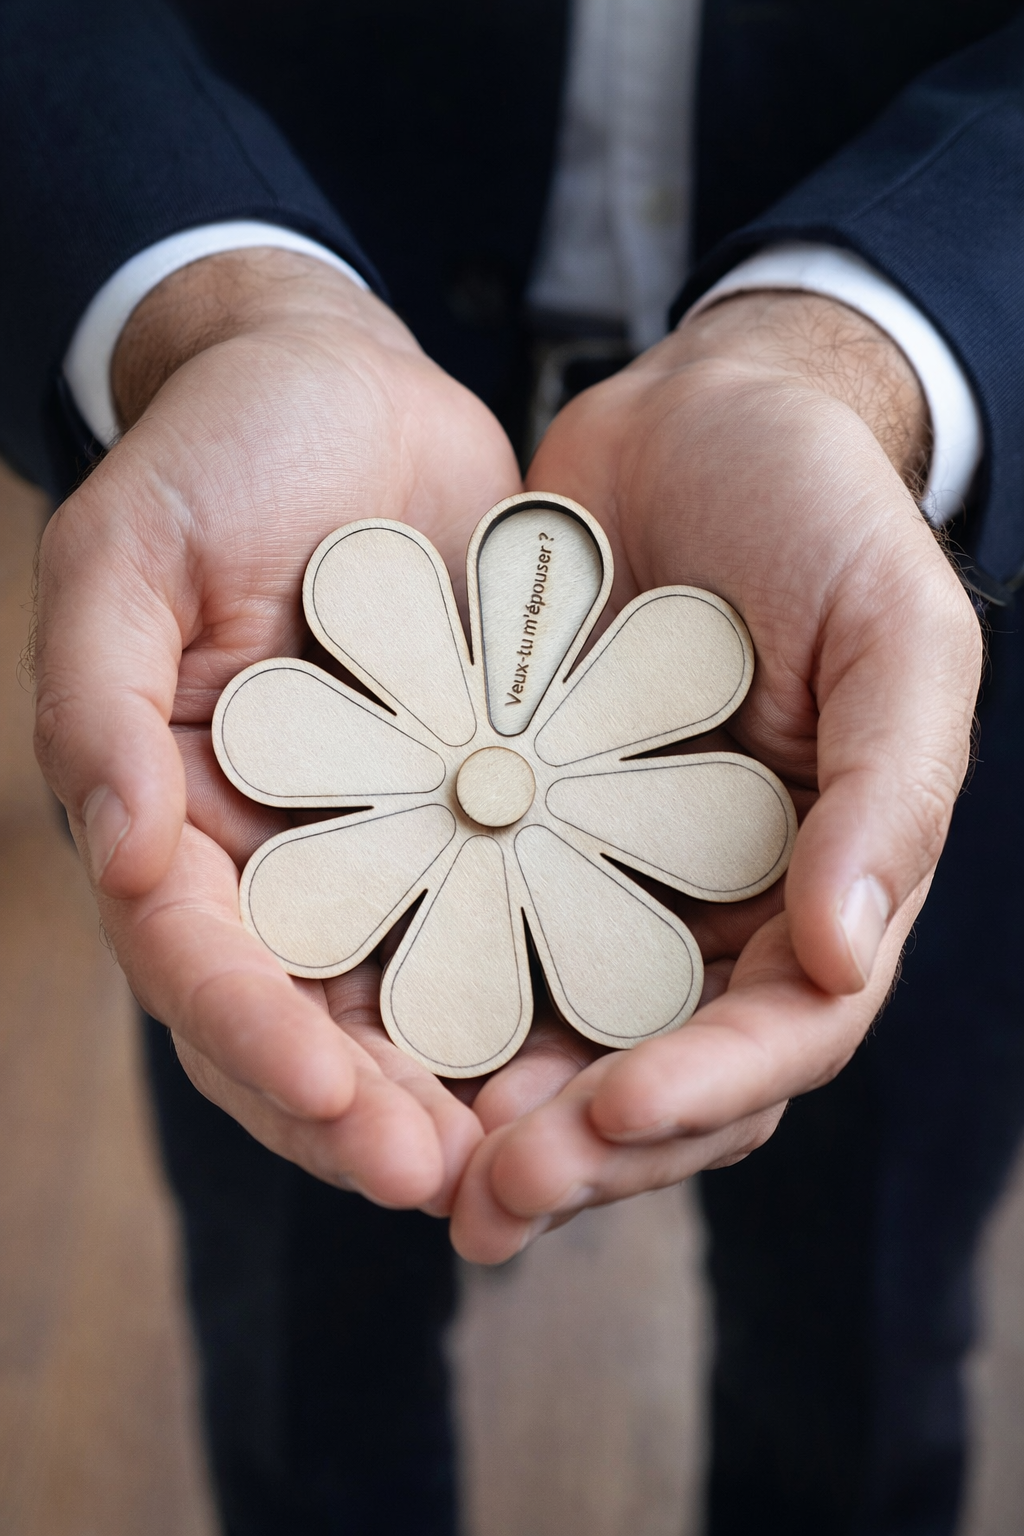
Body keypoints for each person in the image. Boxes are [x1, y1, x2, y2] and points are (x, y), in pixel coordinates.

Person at [2, 1, 1022, 1531]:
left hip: (882, 614)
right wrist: (204, 299)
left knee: (865, 1326)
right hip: (292, 674)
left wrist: (871, 349)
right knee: (299, 1323)